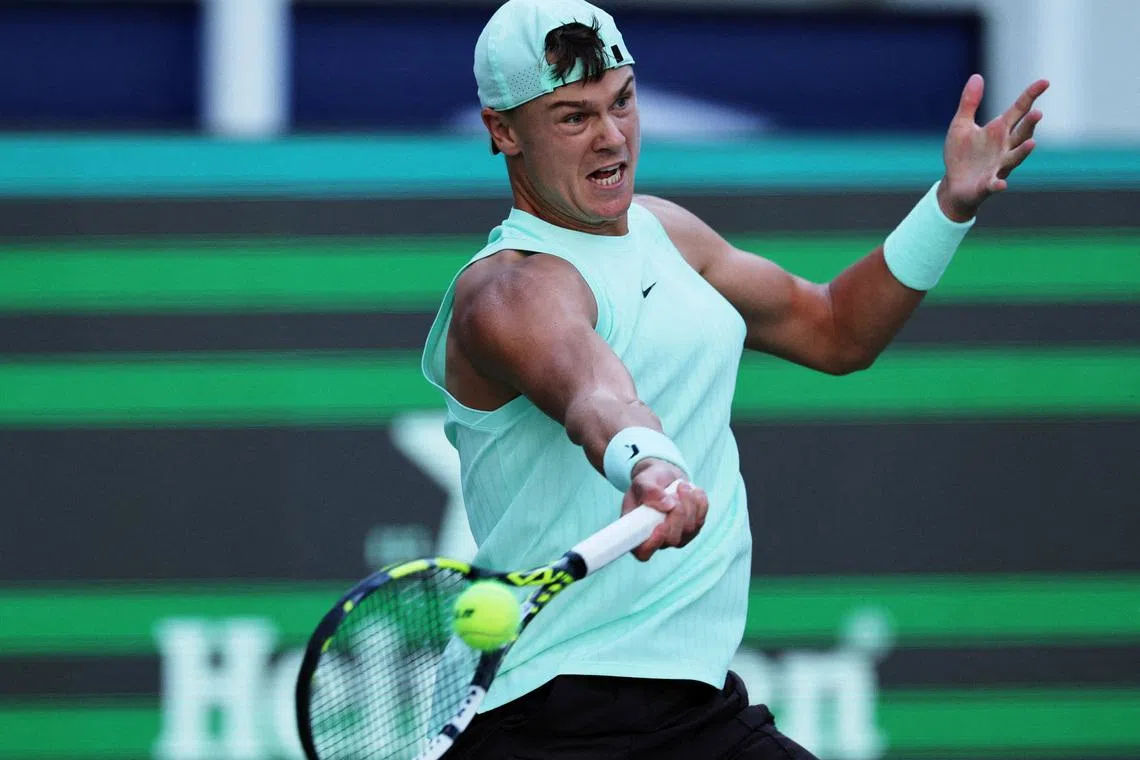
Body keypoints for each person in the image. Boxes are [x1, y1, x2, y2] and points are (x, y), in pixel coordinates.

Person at [420, 0, 1048, 757]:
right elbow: (593, 391)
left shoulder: (665, 234)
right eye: (573, 117)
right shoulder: (504, 292)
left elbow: (836, 329)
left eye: (622, 101)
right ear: (503, 131)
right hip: (548, 715)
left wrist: (947, 207)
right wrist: (648, 464)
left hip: (692, 706)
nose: (612, 136)